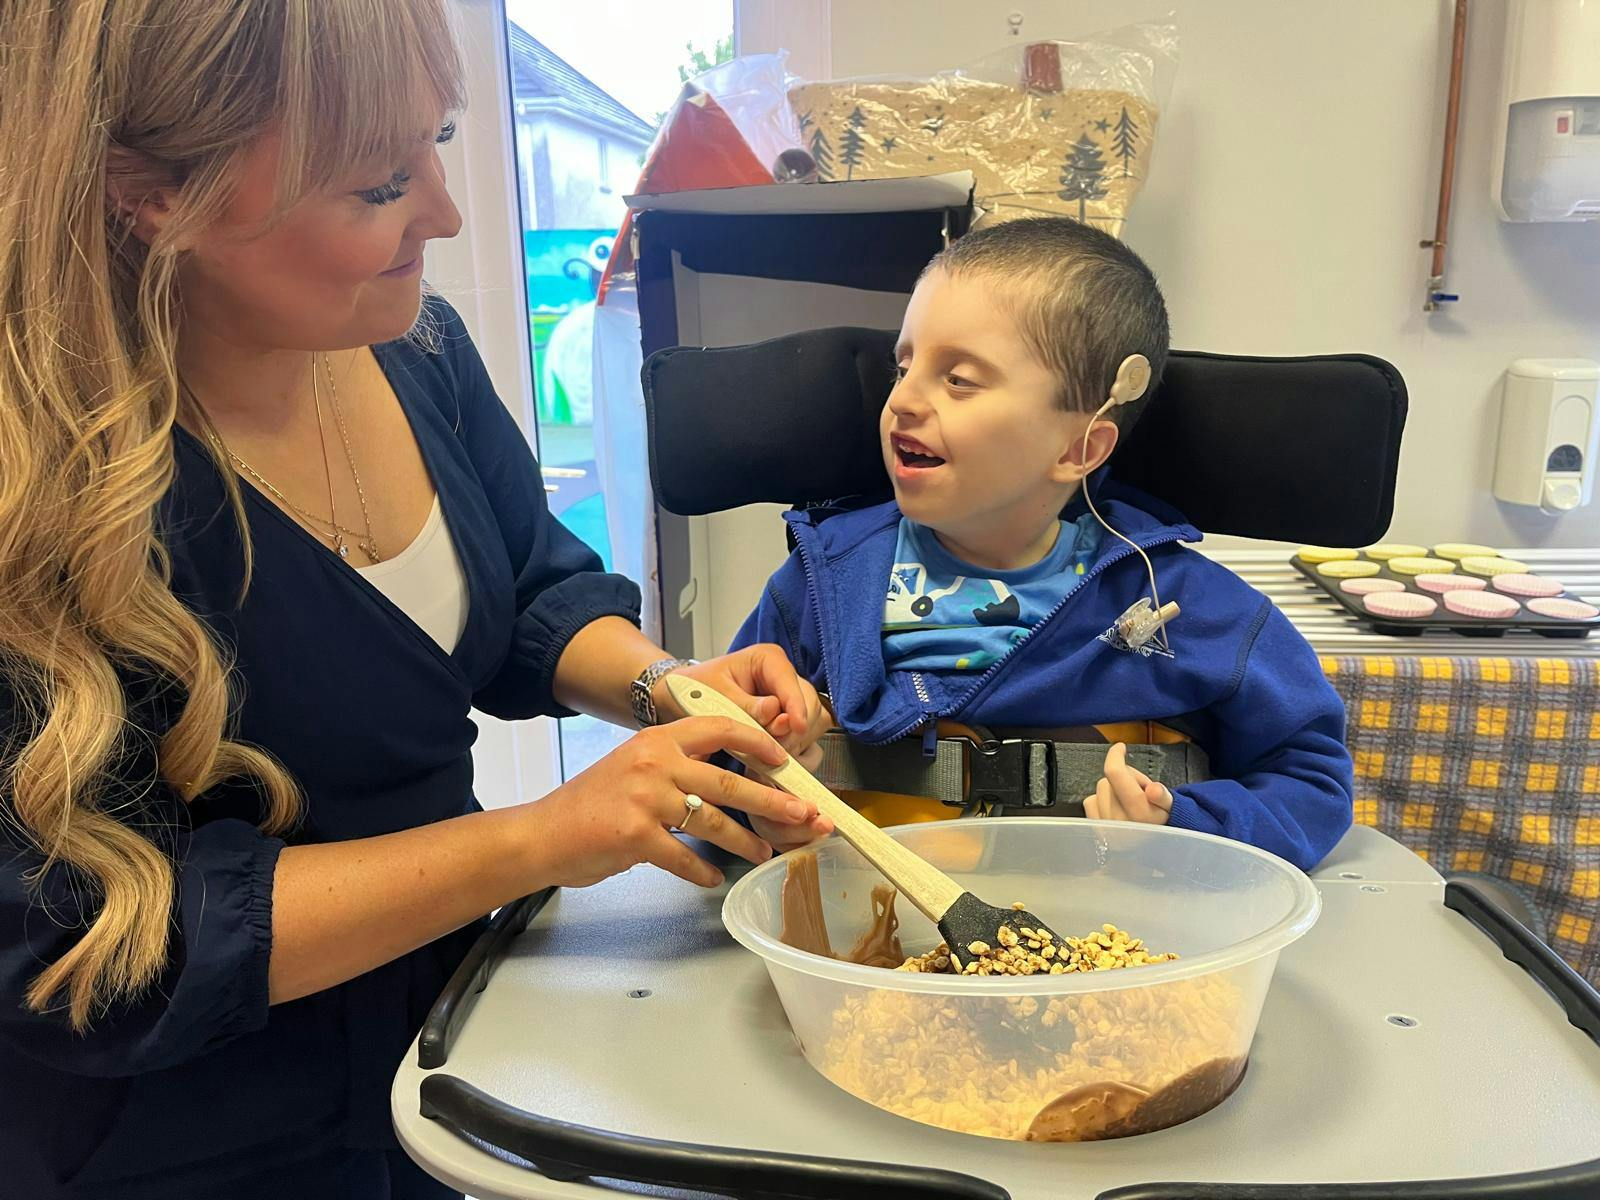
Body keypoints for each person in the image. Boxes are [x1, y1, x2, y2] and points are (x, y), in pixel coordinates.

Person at [0, 4, 831, 1198]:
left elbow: (530, 588)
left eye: (436, 140)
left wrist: (663, 687)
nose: (442, 211)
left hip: (439, 1043)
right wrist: (542, 838)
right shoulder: (41, 495)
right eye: (379, 185)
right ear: (148, 194)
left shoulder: (415, 348)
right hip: (177, 1133)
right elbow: (88, 951)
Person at [729, 217, 1355, 870]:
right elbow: (715, 747)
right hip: (871, 929)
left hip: (1114, 937)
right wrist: (765, 804)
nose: (903, 401)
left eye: (960, 379)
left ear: (1079, 447)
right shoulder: (824, 583)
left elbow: (1309, 782)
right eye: (904, 365)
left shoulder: (1189, 607)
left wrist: (1185, 828)